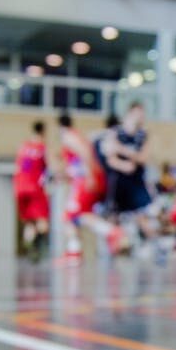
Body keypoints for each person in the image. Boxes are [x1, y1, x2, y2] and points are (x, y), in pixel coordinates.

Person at [100, 102, 163, 253]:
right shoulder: (116, 132)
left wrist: (125, 152)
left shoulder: (143, 135)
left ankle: (156, 247)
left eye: (142, 114)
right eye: (137, 113)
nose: (140, 117)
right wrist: (124, 164)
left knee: (142, 215)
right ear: (129, 113)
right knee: (113, 216)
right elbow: (110, 157)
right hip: (119, 180)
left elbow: (143, 157)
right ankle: (113, 249)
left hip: (136, 180)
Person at [58, 112, 108, 264]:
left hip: (85, 180)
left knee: (73, 215)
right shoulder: (75, 136)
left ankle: (111, 231)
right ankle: (74, 252)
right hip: (82, 179)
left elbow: (85, 154)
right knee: (72, 216)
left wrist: (90, 175)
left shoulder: (68, 136)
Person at [14, 121, 50, 262]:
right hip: (35, 188)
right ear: (43, 131)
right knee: (42, 221)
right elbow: (49, 168)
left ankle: (29, 244)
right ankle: (38, 245)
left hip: (19, 187)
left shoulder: (23, 147)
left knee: (29, 222)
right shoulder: (42, 147)